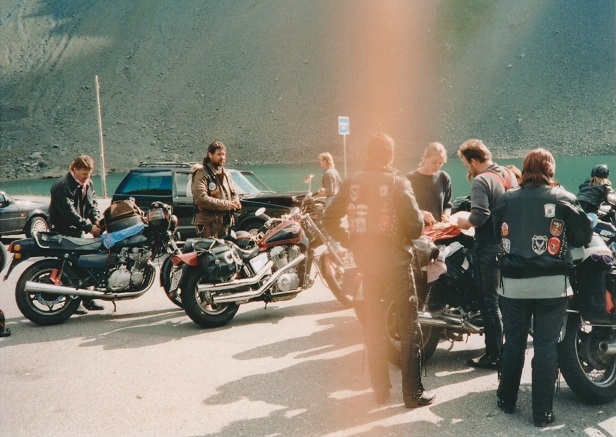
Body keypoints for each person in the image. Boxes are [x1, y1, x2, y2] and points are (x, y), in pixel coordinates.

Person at [323, 132, 435, 408]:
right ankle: (412, 393)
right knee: (409, 326)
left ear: (369, 154)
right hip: (396, 264)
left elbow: (329, 218)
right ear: (390, 155)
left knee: (373, 326)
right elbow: (415, 227)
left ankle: (380, 391)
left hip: (367, 263)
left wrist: (351, 241)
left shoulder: (352, 181)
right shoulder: (398, 182)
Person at [493, 148, 592, 427]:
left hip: (513, 286)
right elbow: (583, 235)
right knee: (546, 346)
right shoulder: (564, 197)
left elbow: (493, 232)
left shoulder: (506, 199)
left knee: (513, 342)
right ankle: (542, 413)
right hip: (552, 286)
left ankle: (506, 400)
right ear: (550, 170)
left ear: (524, 169)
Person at [456, 139, 518, 370]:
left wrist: (464, 222)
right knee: (503, 301)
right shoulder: (509, 175)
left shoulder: (481, 180)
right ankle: (507, 352)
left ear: (473, 161)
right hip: (509, 246)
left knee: (489, 303)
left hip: (488, 248)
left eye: (466, 165)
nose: (467, 169)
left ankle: (494, 355)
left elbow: (479, 216)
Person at [49, 155, 104, 313]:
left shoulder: (87, 183)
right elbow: (69, 213)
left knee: (84, 262)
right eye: (84, 173)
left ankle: (88, 297)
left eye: (89, 173)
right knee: (69, 265)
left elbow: (92, 204)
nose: (87, 176)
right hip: (62, 230)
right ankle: (73, 301)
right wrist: (89, 227)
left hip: (77, 230)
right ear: (74, 169)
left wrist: (97, 222)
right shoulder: (62, 185)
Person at [191, 140, 241, 238]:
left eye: (223, 154)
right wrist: (227, 204)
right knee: (210, 248)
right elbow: (201, 199)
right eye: (219, 154)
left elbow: (233, 193)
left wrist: (236, 201)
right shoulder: (201, 173)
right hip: (209, 225)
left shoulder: (226, 174)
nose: (222, 157)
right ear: (210, 155)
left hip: (225, 223)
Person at [406, 142, 452, 226]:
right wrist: (421, 213)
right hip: (417, 230)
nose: (437, 166)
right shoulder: (409, 178)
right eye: (434, 162)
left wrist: (447, 214)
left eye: (440, 163)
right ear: (426, 157)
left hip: (438, 229)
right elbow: (405, 207)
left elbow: (448, 205)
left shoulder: (444, 177)